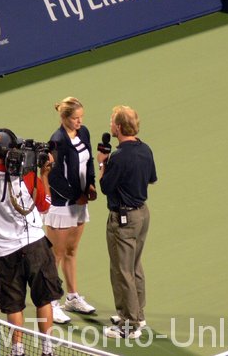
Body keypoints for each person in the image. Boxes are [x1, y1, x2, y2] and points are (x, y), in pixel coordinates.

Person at [0, 128, 63, 356]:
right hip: (35, 247)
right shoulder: (28, 177)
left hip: (4, 253)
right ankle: (48, 350)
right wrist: (43, 174)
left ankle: (17, 350)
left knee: (14, 305)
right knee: (43, 299)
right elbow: (45, 205)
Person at [97, 106, 157, 339]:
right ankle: (135, 314)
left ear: (119, 127)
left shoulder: (119, 158)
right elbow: (151, 179)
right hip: (142, 215)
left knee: (123, 271)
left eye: (112, 122)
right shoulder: (146, 149)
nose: (111, 125)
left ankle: (130, 325)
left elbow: (104, 187)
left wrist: (103, 163)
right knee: (134, 266)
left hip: (124, 220)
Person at [45, 97, 97, 324]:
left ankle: (73, 297)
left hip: (80, 201)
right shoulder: (57, 141)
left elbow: (89, 161)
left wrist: (91, 184)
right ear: (64, 118)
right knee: (55, 255)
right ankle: (51, 303)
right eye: (75, 118)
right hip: (62, 204)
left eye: (81, 118)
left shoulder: (84, 132)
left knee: (72, 251)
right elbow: (54, 177)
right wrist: (76, 195)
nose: (79, 122)